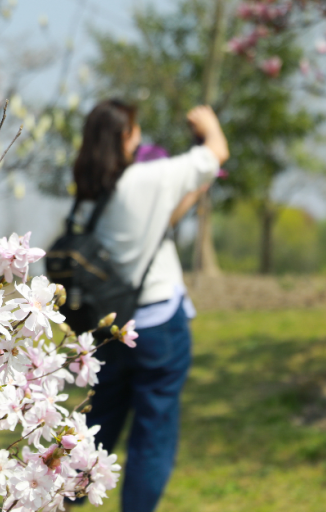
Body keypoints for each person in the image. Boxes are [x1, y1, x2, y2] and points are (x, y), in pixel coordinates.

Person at [69, 99, 229, 512]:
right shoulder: (144, 179)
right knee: (152, 438)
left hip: (107, 328)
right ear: (125, 137)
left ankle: (53, 500)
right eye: (136, 131)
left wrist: (196, 187)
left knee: (95, 431)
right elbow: (217, 153)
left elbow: (162, 221)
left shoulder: (87, 193)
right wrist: (208, 123)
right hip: (158, 328)